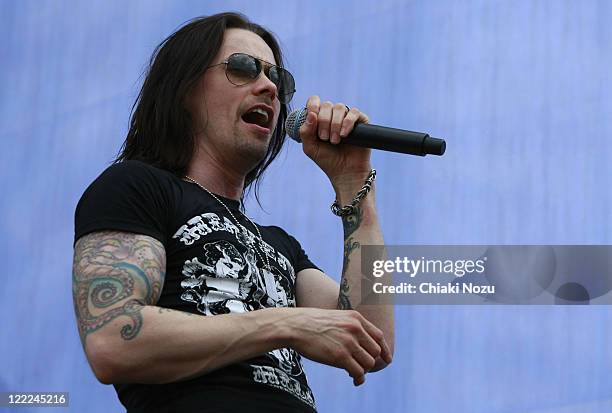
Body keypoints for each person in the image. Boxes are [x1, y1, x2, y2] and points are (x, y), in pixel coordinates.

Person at [72, 12, 394, 413]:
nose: (269, 88)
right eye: (243, 68)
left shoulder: (281, 246)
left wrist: (355, 185)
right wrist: (286, 324)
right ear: (184, 88)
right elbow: (113, 340)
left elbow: (373, 341)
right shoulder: (137, 188)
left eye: (279, 79)